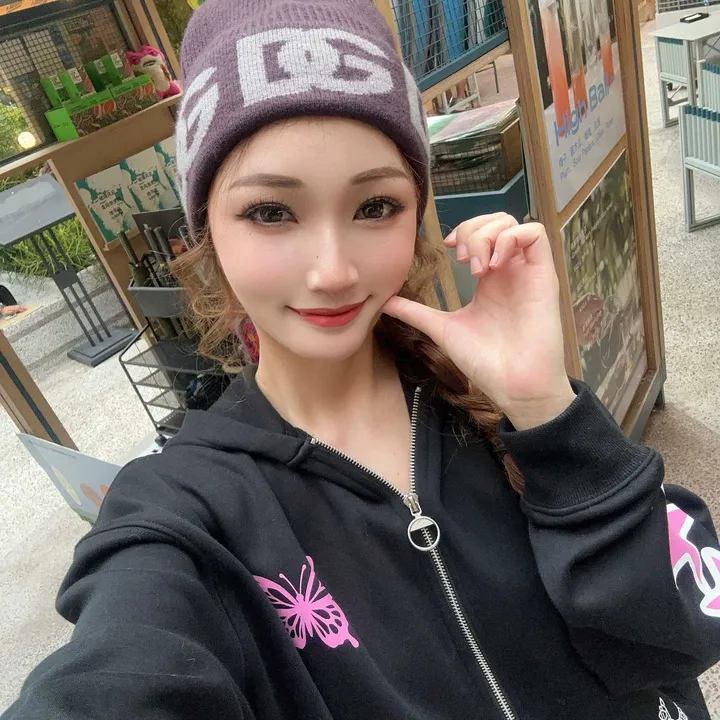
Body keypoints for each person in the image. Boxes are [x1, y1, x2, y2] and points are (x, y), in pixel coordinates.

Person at [4, 2, 720, 719]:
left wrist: (548, 410)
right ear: (207, 233)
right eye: (271, 212)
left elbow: (687, 631)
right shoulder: (184, 512)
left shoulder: (492, 401)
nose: (334, 272)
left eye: (375, 206)